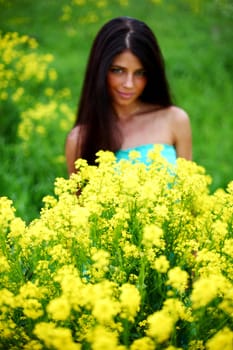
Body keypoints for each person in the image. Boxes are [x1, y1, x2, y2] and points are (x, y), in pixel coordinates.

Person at [65, 16, 192, 175]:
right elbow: (78, 199)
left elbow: (188, 192)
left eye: (140, 73)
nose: (129, 84)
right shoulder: (79, 139)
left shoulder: (175, 120)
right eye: (118, 70)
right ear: (100, 70)